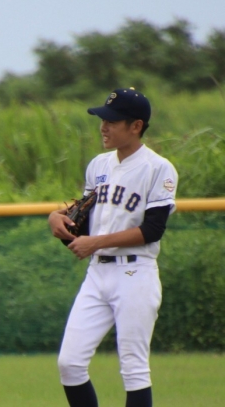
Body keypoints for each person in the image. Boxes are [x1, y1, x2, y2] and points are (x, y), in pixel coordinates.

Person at [48, 88, 178, 407]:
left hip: (135, 274)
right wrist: (57, 218)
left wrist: (95, 242)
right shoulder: (99, 165)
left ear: (136, 126)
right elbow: (85, 219)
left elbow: (153, 230)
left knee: (134, 370)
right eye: (102, 119)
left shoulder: (158, 168)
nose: (103, 127)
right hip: (98, 274)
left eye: (112, 121)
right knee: (69, 364)